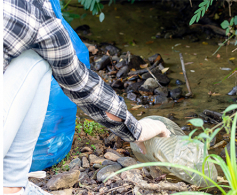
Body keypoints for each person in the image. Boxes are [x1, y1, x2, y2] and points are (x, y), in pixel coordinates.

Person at [3, 0, 171, 194]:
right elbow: (81, 85)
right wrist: (137, 130)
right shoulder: (36, 16)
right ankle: (11, 185)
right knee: (38, 57)